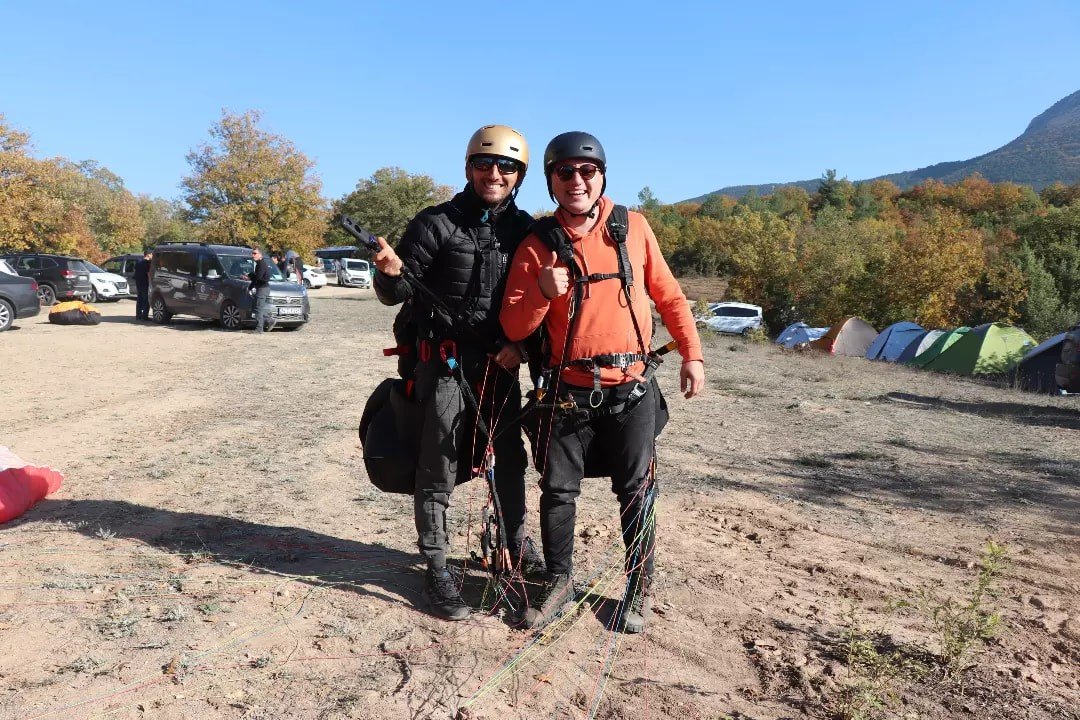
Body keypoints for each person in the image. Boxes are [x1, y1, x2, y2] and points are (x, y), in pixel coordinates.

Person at [500, 131, 705, 633]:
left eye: (587, 171)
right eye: (564, 172)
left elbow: (670, 297)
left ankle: (639, 585)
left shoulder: (632, 228)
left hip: (631, 385)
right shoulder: (537, 244)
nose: (577, 181)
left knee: (636, 489)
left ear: (602, 177)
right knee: (558, 490)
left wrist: (692, 355)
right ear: (550, 181)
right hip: (567, 392)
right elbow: (514, 327)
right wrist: (543, 294)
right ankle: (560, 580)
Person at [372, 125, 541, 621]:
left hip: (499, 365)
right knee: (438, 464)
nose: (494, 173)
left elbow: (537, 303)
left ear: (519, 176)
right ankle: (438, 568)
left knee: (510, 458)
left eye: (506, 167)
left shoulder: (525, 230)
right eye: (484, 164)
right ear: (468, 169)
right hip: (443, 365)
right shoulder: (435, 223)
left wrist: (522, 346)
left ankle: (514, 543)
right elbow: (398, 292)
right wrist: (387, 273)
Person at [248, 247, 275, 332]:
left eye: (255, 253)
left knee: (258, 309)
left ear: (260, 255)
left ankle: (259, 329)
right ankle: (270, 320)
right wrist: (251, 280)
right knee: (257, 308)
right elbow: (257, 278)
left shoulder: (261, 265)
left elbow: (258, 278)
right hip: (262, 288)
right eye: (252, 253)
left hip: (262, 289)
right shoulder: (259, 264)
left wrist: (250, 276)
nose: (253, 255)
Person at [134, 249, 152, 321]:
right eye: (152, 254)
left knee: (139, 299)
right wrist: (150, 282)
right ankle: (145, 316)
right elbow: (148, 274)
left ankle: (138, 316)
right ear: (148, 254)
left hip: (138, 283)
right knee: (146, 300)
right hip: (145, 283)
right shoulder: (147, 263)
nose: (152, 256)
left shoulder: (138, 261)